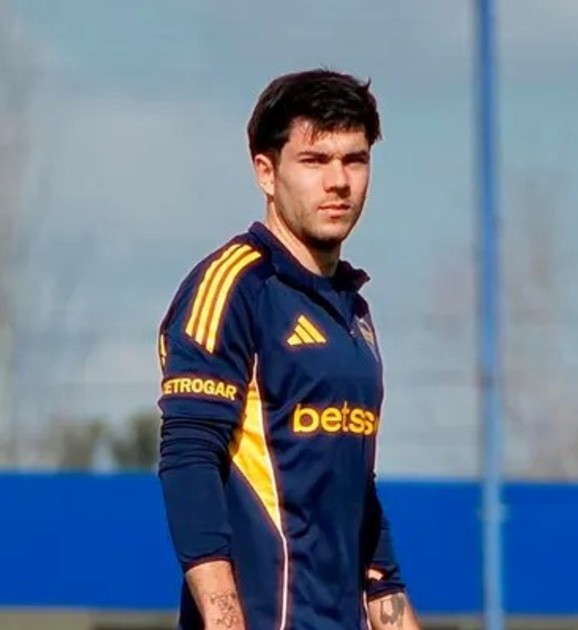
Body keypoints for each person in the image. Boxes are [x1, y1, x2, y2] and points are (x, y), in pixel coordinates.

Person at [155, 68, 421, 630]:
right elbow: (188, 457)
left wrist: (392, 609)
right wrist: (224, 618)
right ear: (266, 172)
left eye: (354, 160)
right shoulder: (233, 287)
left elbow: (354, 487)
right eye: (315, 161)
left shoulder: (353, 312)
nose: (339, 182)